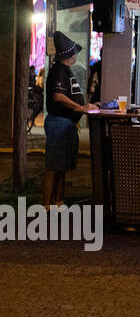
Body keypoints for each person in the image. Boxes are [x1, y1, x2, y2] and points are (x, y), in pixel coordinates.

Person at [43, 32, 87, 207]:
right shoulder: (59, 71)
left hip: (66, 123)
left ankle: (59, 202)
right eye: (75, 51)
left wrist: (87, 105)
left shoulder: (66, 71)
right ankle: (47, 204)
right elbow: (58, 96)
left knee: (62, 167)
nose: (76, 55)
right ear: (69, 54)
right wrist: (80, 107)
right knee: (54, 166)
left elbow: (70, 95)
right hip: (58, 123)